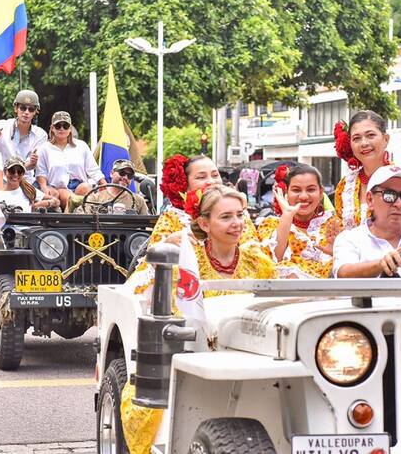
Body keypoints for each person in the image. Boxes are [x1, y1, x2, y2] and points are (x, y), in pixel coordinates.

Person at [120, 185, 275, 454]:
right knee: (145, 404)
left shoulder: (257, 260)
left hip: (250, 355)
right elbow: (167, 308)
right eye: (226, 217)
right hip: (194, 353)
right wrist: (165, 246)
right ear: (204, 222)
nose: (237, 223)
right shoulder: (186, 260)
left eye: (240, 215)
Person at [333, 111, 401, 230]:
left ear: (386, 139)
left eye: (370, 135)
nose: (364, 143)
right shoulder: (345, 185)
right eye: (356, 138)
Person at [256, 164, 343, 279]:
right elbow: (273, 260)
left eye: (311, 189)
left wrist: (336, 253)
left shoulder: (334, 224)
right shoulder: (270, 225)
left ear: (321, 192)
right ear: (286, 192)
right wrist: (287, 215)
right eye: (296, 190)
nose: (303, 196)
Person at [36, 111, 105, 210]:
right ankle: (69, 221)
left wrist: (105, 185)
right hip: (59, 187)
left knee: (86, 188)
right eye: (58, 126)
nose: (62, 129)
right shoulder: (44, 148)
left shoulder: (82, 146)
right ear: (52, 128)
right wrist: (44, 188)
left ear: (70, 129)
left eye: (65, 125)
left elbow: (93, 169)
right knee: (69, 197)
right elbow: (41, 173)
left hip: (80, 185)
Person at [0, 90, 47, 184]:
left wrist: (32, 163)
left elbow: (32, 164)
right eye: (23, 108)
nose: (26, 112)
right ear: (16, 108)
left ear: (35, 112)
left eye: (31, 109)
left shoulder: (41, 135)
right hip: (1, 179)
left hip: (26, 181)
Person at [79, 159, 150, 214]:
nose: (125, 177)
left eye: (130, 176)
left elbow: (147, 225)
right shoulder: (96, 198)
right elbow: (82, 215)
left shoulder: (138, 201)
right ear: (111, 173)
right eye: (122, 173)